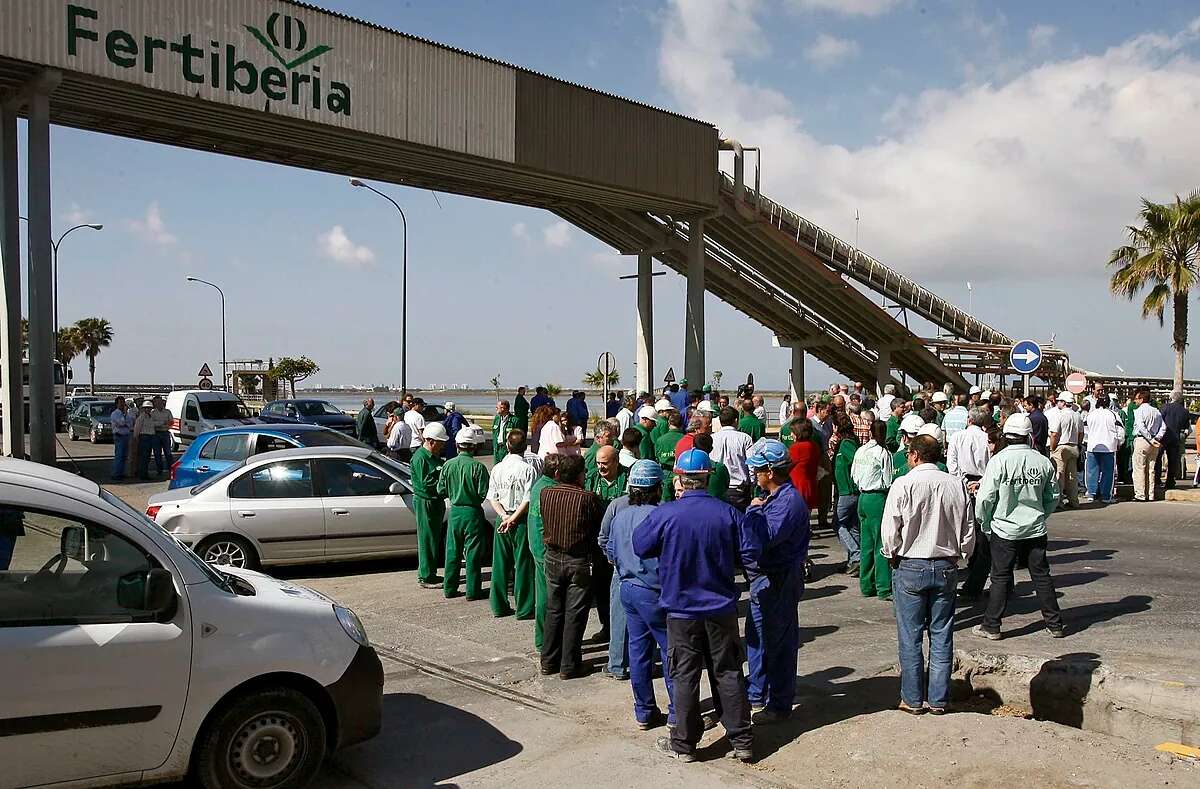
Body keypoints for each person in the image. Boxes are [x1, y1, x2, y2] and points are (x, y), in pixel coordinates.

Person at [634, 449, 754, 764]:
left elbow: (640, 545)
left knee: (685, 674)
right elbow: (749, 551)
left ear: (679, 478)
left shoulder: (666, 514)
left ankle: (684, 744)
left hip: (681, 611)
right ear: (707, 478)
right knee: (727, 671)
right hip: (721, 608)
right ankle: (742, 740)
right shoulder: (727, 513)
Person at [880, 434, 974, 714]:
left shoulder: (903, 484)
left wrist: (892, 553)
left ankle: (911, 698)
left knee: (910, 636)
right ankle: (938, 699)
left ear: (915, 455)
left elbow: (890, 530)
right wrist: (963, 554)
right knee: (942, 634)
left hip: (910, 564)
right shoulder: (956, 484)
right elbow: (968, 528)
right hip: (945, 564)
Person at [973, 413, 1064, 640]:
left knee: (1000, 577)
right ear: (1029, 436)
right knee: (1041, 575)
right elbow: (1053, 496)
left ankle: (992, 625)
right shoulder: (1042, 461)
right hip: (1034, 528)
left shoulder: (999, 461)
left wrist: (985, 522)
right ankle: (1054, 623)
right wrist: (1041, 515)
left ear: (1006, 435)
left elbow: (985, 498)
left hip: (1004, 529)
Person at [742, 439, 810, 724]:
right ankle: (757, 692)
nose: (754, 475)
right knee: (757, 638)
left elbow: (763, 538)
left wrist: (752, 512)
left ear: (770, 471)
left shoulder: (787, 502)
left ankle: (780, 702)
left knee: (780, 643)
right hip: (763, 580)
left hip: (779, 579)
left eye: (757, 470)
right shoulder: (773, 498)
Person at [605, 460, 674, 729]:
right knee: (671, 652)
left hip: (628, 589)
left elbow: (610, 551)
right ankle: (677, 712)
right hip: (656, 592)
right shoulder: (662, 515)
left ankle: (644, 711)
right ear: (658, 487)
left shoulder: (620, 515)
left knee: (639, 652)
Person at [540, 455, 603, 680]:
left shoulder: (546, 492)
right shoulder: (587, 498)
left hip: (553, 557)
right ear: (579, 475)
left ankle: (548, 661)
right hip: (578, 560)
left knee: (554, 611)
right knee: (575, 613)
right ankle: (569, 664)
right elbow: (600, 524)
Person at [486, 429, 539, 619]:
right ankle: (524, 607)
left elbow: (493, 497)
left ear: (507, 445)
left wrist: (503, 516)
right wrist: (513, 518)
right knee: (524, 564)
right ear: (524, 447)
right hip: (520, 520)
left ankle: (498, 605)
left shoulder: (498, 468)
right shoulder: (528, 469)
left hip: (503, 518)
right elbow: (528, 499)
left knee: (500, 564)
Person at [437, 427, 490, 601]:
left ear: (457, 445)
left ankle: (449, 588)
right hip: (473, 512)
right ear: (473, 447)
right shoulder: (478, 467)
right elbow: (483, 493)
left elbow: (441, 489)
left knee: (452, 551)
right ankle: (472, 591)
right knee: (473, 553)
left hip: (455, 512)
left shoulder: (448, 465)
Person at [947, 408, 993, 601]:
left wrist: (962, 484)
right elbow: (991, 463)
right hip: (982, 484)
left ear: (969, 420)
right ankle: (976, 564)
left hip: (963, 484)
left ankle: (970, 561)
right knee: (980, 529)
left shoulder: (958, 437)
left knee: (964, 527)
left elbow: (952, 464)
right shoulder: (986, 438)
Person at [851, 420, 895, 600]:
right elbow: (887, 479)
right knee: (881, 543)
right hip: (877, 497)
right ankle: (883, 587)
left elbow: (853, 474)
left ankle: (866, 584)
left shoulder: (861, 451)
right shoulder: (883, 453)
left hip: (862, 497)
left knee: (866, 543)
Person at [589, 445, 627, 648]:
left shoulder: (627, 477)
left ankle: (623, 630)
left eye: (604, 463)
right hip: (600, 544)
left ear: (615, 461)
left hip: (622, 542)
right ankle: (607, 626)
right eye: (598, 463)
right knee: (601, 587)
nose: (600, 467)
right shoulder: (593, 478)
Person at [527, 454, 560, 652]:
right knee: (550, 599)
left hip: (537, 546)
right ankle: (547, 640)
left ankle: (542, 640)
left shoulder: (539, 485)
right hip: (546, 550)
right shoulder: (551, 490)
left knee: (542, 596)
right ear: (556, 472)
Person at [411, 423, 448, 588]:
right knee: (427, 538)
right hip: (426, 502)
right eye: (440, 443)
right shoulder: (420, 458)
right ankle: (426, 576)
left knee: (434, 538)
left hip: (435, 501)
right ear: (431, 441)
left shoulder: (434, 457)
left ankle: (431, 573)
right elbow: (426, 484)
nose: (442, 446)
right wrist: (444, 486)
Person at [832, 418, 861, 574]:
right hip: (845, 491)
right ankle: (853, 561)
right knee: (852, 526)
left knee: (837, 524)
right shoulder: (843, 444)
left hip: (848, 492)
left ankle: (857, 555)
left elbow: (856, 461)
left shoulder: (847, 444)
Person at [712, 406, 753, 510]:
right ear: (735, 420)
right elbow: (751, 465)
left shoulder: (712, 439)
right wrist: (752, 483)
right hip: (740, 489)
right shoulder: (745, 438)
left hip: (718, 487)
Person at [1084, 395, 1123, 504]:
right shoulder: (1113, 415)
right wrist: (1119, 443)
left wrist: (1088, 442)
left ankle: (1091, 493)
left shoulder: (1091, 415)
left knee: (1091, 471)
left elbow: (1085, 431)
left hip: (1092, 447)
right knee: (1108, 472)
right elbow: (1120, 431)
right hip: (1109, 448)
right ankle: (1106, 496)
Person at [1048, 392, 1084, 508]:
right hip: (1073, 446)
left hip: (1061, 446)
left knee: (1059, 475)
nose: (1057, 402)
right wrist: (1077, 444)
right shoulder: (1077, 415)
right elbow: (1081, 433)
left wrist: (1053, 448)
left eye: (1059, 401)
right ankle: (1074, 501)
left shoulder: (1059, 415)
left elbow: (1054, 434)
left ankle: (1058, 501)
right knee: (1072, 476)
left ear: (1063, 402)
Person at [1131, 387, 1166, 501]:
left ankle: (1140, 494)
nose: (1135, 401)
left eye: (1136, 398)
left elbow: (1141, 427)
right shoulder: (1156, 411)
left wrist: (1150, 438)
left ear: (1141, 399)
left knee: (1139, 468)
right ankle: (1150, 494)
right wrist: (1156, 438)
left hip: (1142, 440)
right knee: (1151, 469)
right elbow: (1163, 427)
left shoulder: (1139, 411)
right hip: (1154, 442)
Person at [787, 419, 820, 509]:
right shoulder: (814, 445)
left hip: (797, 487)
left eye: (793, 432)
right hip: (810, 486)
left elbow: (786, 466)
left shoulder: (796, 448)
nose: (791, 435)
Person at [1160, 390, 1190, 489]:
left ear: (1171, 397)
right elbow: (1186, 427)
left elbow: (1159, 422)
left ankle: (1156, 479)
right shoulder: (1185, 411)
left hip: (1163, 437)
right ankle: (1170, 482)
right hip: (1175, 438)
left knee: (1158, 459)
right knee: (1173, 461)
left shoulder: (1164, 408)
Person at [653, 412, 686, 501]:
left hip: (665, 474)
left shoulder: (660, 440)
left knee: (665, 502)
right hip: (681, 474)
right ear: (682, 424)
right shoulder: (685, 439)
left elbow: (657, 456)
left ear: (669, 423)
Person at [693, 433, 729, 500]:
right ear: (711, 449)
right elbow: (726, 486)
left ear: (693, 447)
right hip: (718, 507)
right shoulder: (720, 468)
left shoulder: (687, 468)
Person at [149, 396, 173, 476]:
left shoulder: (167, 412)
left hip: (165, 433)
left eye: (160, 402)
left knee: (168, 452)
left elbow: (171, 422)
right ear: (154, 403)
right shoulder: (152, 413)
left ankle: (171, 469)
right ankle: (160, 470)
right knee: (157, 453)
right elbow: (151, 424)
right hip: (156, 434)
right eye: (157, 402)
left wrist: (161, 424)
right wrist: (162, 423)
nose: (159, 404)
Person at [133, 400, 157, 480]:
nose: (148, 409)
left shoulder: (151, 417)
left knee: (147, 457)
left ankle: (144, 473)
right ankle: (142, 474)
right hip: (144, 437)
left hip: (150, 437)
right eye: (147, 408)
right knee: (143, 457)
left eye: (149, 408)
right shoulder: (141, 417)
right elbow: (137, 429)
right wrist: (136, 438)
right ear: (144, 409)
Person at [491, 400, 514, 465]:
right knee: (497, 468)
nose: (496, 408)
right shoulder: (497, 419)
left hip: (506, 449)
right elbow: (494, 432)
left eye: (498, 407)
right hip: (497, 448)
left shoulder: (514, 420)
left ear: (504, 408)